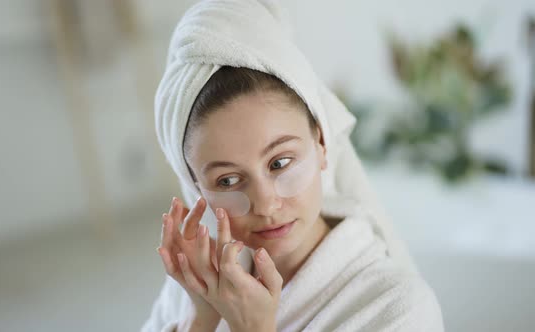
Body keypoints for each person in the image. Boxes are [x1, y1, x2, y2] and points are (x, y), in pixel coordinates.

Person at [143, 0, 444, 331]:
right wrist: (201, 318)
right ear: (197, 188)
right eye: (228, 181)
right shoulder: (194, 286)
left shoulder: (396, 306)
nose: (266, 204)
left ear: (321, 143)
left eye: (279, 163)